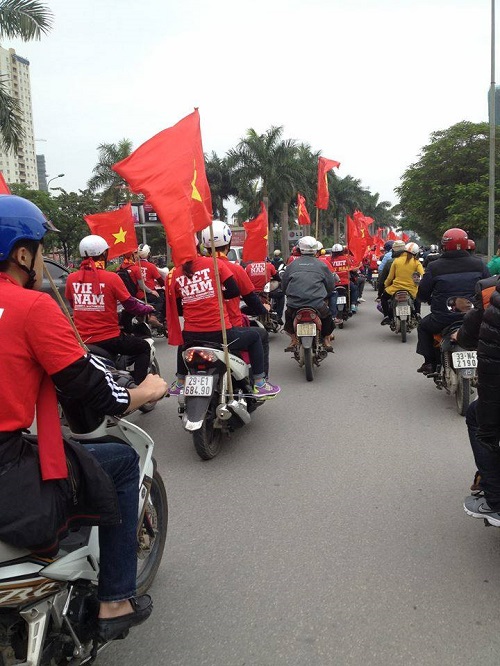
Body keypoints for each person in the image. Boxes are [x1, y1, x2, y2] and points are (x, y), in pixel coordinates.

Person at [0, 194, 167, 641]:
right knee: (121, 462)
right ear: (22, 255)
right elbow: (94, 388)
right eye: (39, 249)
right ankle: (115, 600)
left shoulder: (71, 281)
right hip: (11, 454)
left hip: (84, 342)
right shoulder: (33, 305)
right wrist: (145, 390)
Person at [168, 247, 280, 397]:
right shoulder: (215, 264)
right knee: (255, 337)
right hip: (220, 333)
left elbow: (178, 308)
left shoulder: (175, 273)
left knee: (183, 342)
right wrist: (215, 294)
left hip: (191, 335)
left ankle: (180, 382)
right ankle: (260, 383)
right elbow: (234, 291)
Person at [66, 235, 154, 384]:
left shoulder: (71, 278)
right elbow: (130, 305)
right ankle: (141, 388)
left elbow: (73, 304)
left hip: (81, 340)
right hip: (109, 339)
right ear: (104, 254)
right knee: (144, 347)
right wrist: (146, 309)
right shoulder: (111, 278)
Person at [200, 220, 272, 379]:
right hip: (229, 327)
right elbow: (251, 299)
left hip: (198, 331)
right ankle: (261, 380)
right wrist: (263, 310)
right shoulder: (235, 269)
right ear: (228, 244)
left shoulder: (196, 270)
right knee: (261, 335)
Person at [415, 227, 489, 375]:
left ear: (444, 245)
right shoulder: (479, 264)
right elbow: (488, 287)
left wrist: (426, 299)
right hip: (475, 316)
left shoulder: (434, 266)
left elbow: (423, 293)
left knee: (423, 326)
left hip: (442, 319)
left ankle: (430, 363)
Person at [281, 236, 337, 352]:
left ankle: (293, 339)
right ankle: (326, 339)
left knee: (288, 316)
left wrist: (289, 295)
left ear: (299, 249)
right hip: (317, 304)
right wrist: (325, 293)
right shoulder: (322, 265)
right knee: (327, 317)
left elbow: (284, 285)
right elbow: (330, 285)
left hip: (294, 304)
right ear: (316, 250)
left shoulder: (291, 265)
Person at [380, 242, 424, 324]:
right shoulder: (416, 262)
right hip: (411, 289)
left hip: (395, 288)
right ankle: (417, 313)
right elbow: (422, 275)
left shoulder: (397, 261)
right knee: (418, 298)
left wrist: (386, 285)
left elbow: (390, 277)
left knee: (384, 298)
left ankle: (387, 316)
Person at [330, 243, 359, 315]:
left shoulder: (330, 260)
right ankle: (353, 304)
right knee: (354, 289)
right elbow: (352, 269)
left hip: (334, 283)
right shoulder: (346, 259)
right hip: (346, 283)